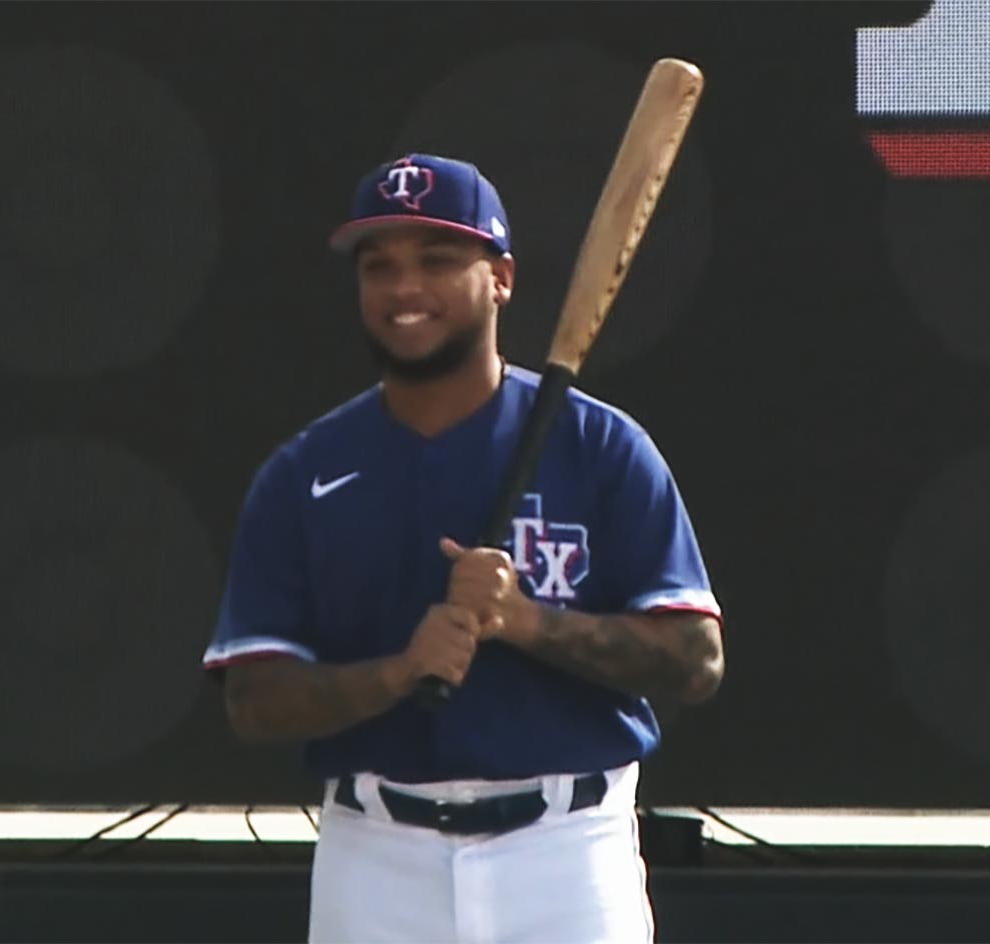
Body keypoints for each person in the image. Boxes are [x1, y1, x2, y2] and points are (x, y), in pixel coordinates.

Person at [203, 153, 724, 944]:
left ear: (501, 277)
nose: (405, 288)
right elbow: (254, 700)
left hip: (567, 853)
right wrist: (402, 672)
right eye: (380, 266)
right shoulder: (304, 471)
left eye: (439, 260)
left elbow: (695, 660)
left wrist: (525, 622)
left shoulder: (600, 447)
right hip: (376, 858)